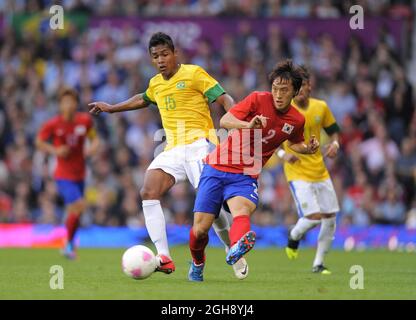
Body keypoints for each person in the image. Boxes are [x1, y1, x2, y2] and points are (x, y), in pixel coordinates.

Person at [88, 32, 248, 279]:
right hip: (172, 149)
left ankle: (232, 249)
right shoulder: (156, 83)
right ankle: (164, 256)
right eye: (155, 56)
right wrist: (112, 108)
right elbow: (143, 98)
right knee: (148, 190)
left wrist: (237, 121)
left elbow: (224, 98)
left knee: (211, 211)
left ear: (175, 54)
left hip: (200, 145)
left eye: (164, 54)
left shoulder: (194, 73)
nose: (161, 60)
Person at [188, 59, 320, 281]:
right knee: (200, 230)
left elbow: (295, 143)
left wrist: (308, 149)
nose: (278, 94)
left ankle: (237, 247)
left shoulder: (297, 120)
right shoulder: (258, 99)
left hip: (246, 174)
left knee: (242, 210)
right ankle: (197, 264)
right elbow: (226, 120)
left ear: (295, 92)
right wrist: (247, 125)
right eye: (275, 88)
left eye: (284, 90)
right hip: (217, 166)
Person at [277, 66, 341, 274]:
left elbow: (334, 133)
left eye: (305, 84)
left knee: (330, 217)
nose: (302, 89)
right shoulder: (285, 110)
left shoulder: (321, 107)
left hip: (320, 171)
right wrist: (282, 154)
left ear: (310, 86)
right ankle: (294, 235)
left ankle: (318, 263)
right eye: (299, 86)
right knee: (313, 217)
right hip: (297, 171)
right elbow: (270, 138)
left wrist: (335, 145)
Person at [36, 88, 100, 259]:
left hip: (80, 174)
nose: (68, 105)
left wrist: (92, 149)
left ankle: (69, 245)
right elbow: (39, 141)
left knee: (76, 211)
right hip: (63, 175)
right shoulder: (53, 123)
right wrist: (55, 150)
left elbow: (95, 139)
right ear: (60, 105)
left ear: (75, 103)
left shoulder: (84, 121)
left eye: (71, 101)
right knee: (79, 206)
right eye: (64, 102)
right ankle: (67, 244)